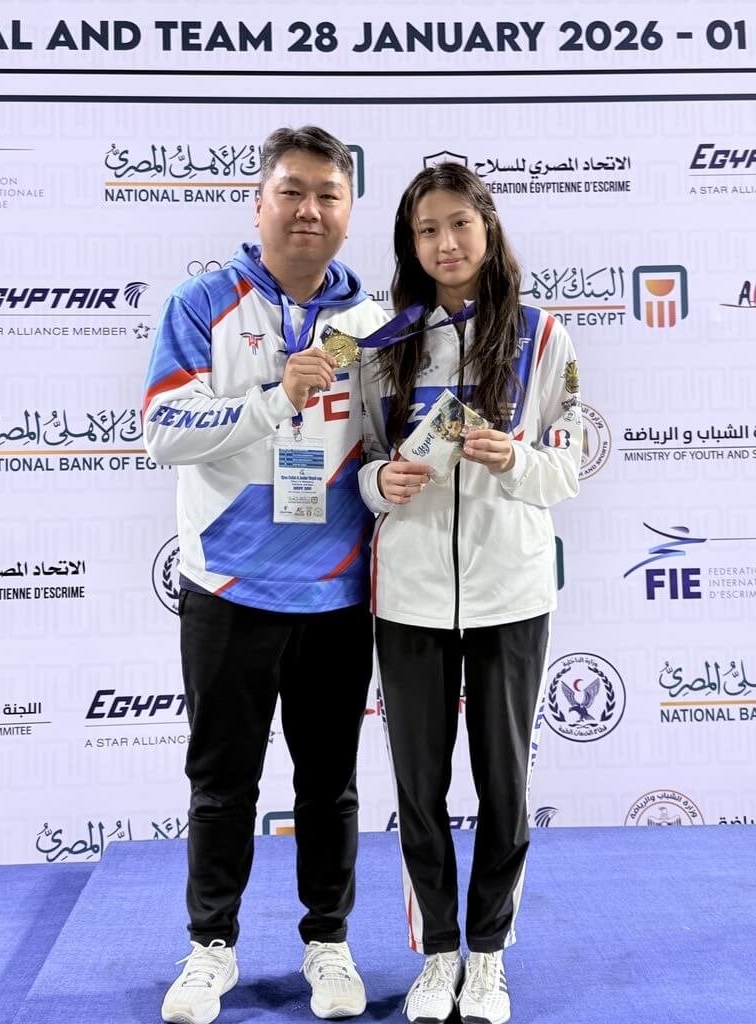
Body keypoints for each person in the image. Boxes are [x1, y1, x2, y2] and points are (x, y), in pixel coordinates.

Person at [143, 125, 389, 1024]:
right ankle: (211, 946)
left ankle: (329, 942)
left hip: (337, 590)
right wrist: (272, 399)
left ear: (348, 211)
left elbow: (386, 448)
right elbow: (164, 431)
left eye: (328, 194)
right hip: (229, 586)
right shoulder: (203, 303)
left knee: (329, 784)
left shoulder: (375, 321)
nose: (310, 210)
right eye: (293, 191)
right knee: (221, 781)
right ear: (259, 202)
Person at [358, 163, 582, 1024]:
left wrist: (516, 458)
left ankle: (486, 956)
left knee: (503, 785)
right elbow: (359, 464)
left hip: (512, 590)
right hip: (409, 592)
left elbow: (571, 458)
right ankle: (437, 953)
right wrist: (386, 485)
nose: (445, 244)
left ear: (487, 229)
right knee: (418, 785)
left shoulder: (543, 333)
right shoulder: (381, 337)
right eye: (426, 231)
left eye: (459, 224)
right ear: (410, 246)